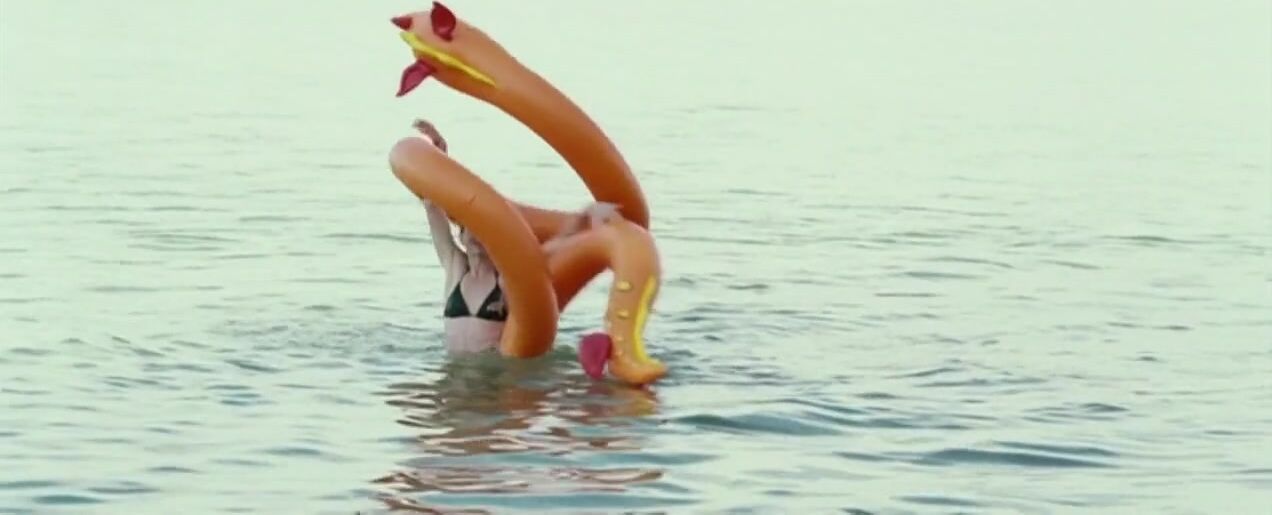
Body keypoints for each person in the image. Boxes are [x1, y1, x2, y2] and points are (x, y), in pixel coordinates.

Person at [412, 118, 619, 353]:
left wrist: (585, 218)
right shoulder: (455, 267)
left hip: (495, 374)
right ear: (461, 235)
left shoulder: (505, 278)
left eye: (484, 231)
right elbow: (431, 204)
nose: (477, 237)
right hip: (451, 373)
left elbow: (549, 254)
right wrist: (440, 157)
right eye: (472, 229)